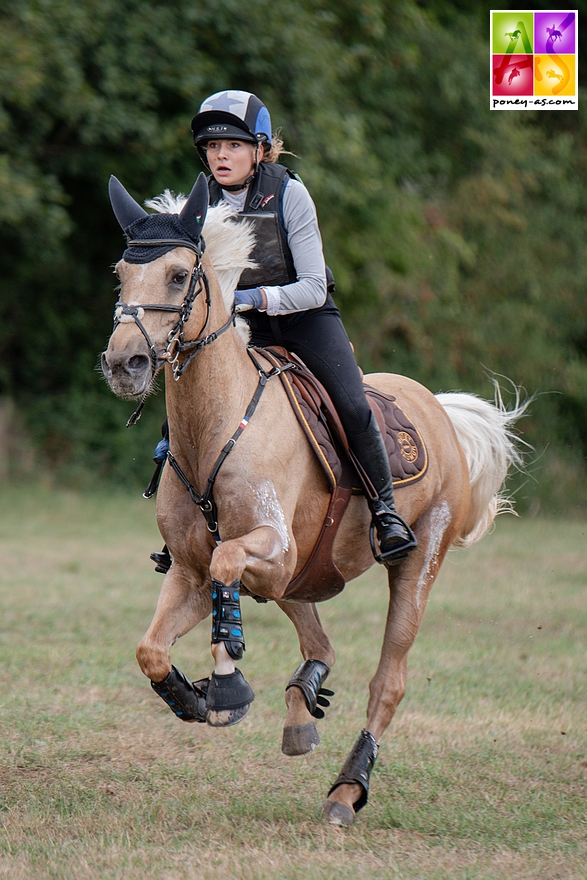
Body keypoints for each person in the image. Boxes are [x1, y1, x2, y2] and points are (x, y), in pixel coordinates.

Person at [153, 89, 416, 569]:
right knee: (182, 408)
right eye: (212, 147)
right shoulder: (198, 201)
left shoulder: (290, 193)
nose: (220, 156)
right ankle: (181, 532)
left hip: (302, 318)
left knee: (353, 405)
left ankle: (385, 513)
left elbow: (314, 286)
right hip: (234, 323)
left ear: (258, 148)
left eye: (232, 145)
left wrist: (252, 299)